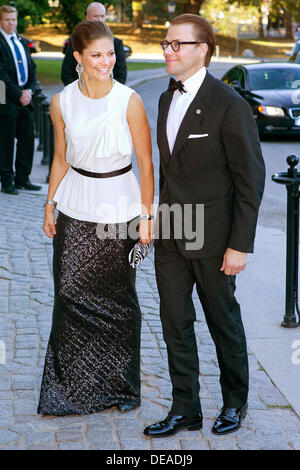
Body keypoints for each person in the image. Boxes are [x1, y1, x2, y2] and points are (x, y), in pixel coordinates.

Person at [144, 14, 265, 438]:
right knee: (174, 322)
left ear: (203, 50)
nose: (168, 51)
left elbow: (250, 179)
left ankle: (235, 402)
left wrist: (240, 244)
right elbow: (170, 172)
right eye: (166, 43)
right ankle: (185, 408)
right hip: (171, 233)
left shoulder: (230, 104)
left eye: (178, 44)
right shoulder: (163, 99)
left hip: (214, 237)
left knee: (222, 321)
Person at [37, 20, 154, 416]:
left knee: (118, 300)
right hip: (74, 205)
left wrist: (147, 215)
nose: (107, 61)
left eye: (110, 53)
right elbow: (59, 157)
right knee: (68, 293)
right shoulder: (61, 102)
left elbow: (145, 162)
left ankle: (121, 388)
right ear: (78, 59)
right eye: (97, 55)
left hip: (120, 207)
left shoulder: (129, 100)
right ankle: (70, 388)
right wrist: (50, 204)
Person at [0, 5, 41, 194]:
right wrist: (18, 94)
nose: (11, 23)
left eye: (14, 19)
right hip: (5, 98)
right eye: (8, 19)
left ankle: (22, 178)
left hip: (25, 96)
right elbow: (1, 75)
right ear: (1, 20)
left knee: (27, 139)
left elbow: (32, 69)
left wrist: (30, 90)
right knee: (6, 141)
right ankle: (7, 181)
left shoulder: (22, 41)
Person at [61, 2, 127, 86]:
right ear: (87, 18)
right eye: (95, 16)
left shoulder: (116, 43)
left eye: (102, 16)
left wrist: (103, 92)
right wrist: (80, 92)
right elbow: (66, 73)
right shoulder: (75, 42)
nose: (99, 19)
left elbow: (121, 75)